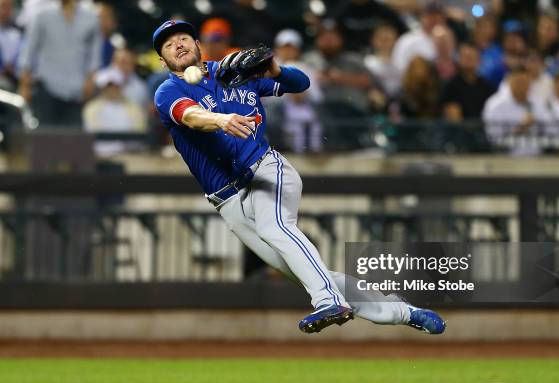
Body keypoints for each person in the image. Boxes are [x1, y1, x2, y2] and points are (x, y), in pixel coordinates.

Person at [151, 19, 445, 334]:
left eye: (183, 38)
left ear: (198, 44)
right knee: (305, 270)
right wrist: (220, 119)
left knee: (275, 226)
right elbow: (190, 116)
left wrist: (276, 70)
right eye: (168, 44)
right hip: (228, 200)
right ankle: (403, 312)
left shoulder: (232, 72)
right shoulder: (169, 90)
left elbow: (300, 83)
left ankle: (327, 301)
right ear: (162, 60)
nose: (177, 45)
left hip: (264, 169)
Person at [17, 0, 102, 127]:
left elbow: (95, 56)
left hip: (77, 90)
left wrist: (91, 79)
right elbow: (29, 52)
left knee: (74, 140)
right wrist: (24, 85)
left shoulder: (91, 19)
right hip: (47, 86)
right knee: (46, 137)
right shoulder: (42, 15)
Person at [83, 68, 148, 156]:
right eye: (109, 85)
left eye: (115, 85)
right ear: (102, 87)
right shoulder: (91, 109)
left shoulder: (134, 109)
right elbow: (91, 135)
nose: (112, 88)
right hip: (100, 156)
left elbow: (139, 136)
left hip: (129, 156)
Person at [482, 66, 538, 155]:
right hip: (507, 161)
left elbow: (552, 132)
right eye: (519, 82)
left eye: (526, 82)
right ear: (510, 81)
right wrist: (520, 129)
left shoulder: (536, 102)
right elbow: (494, 141)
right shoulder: (495, 105)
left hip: (539, 159)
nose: (523, 86)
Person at [440, 42, 495, 122]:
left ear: (479, 60)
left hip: (484, 130)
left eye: (472, 58)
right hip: (458, 132)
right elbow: (453, 119)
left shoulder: (488, 87)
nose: (469, 61)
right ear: (459, 59)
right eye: (466, 57)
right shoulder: (451, 87)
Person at [392, 1, 446, 74]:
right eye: (430, 16)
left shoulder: (447, 38)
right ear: (422, 17)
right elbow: (398, 66)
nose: (434, 19)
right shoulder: (408, 40)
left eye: (437, 16)